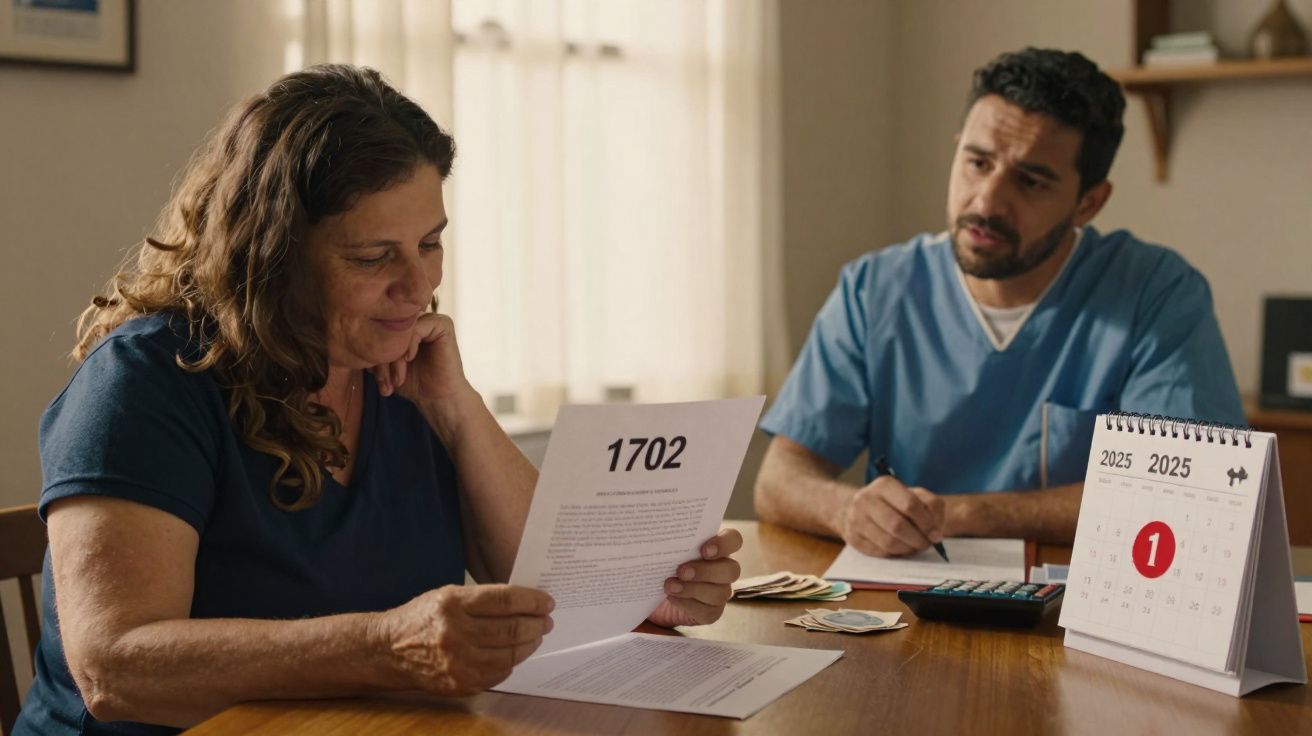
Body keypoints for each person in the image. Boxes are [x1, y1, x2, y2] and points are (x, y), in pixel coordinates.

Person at [17, 64, 742, 736]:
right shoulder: (147, 380)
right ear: (271, 256)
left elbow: (541, 582)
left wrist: (633, 592)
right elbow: (114, 669)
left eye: (430, 243)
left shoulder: (397, 366)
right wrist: (386, 646)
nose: (418, 285)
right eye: (373, 258)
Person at [754, 48, 1245, 558]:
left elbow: (1189, 495)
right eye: (977, 162)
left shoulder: (1155, 293)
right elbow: (779, 479)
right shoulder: (874, 290)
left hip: (1080, 608)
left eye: (1030, 181)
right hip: (907, 604)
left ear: (1089, 203)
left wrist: (954, 514)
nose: (986, 202)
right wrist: (847, 510)